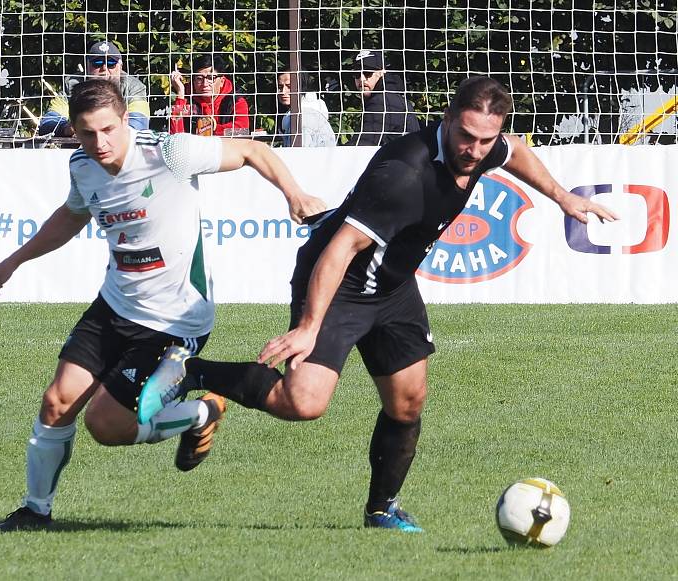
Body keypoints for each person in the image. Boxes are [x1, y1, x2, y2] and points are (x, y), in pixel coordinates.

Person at [136, 76, 617, 532]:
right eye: (466, 136)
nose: (473, 150)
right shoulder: (404, 173)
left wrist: (560, 197)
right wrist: (308, 326)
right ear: (447, 118)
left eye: (485, 140)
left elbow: (517, 153)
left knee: (408, 403)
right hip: (339, 282)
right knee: (302, 402)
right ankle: (196, 374)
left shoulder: (485, 148)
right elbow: (338, 250)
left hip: (392, 285)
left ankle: (381, 509)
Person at [0, 78, 325, 531]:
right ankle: (35, 510)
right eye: (87, 132)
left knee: (106, 426)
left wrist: (294, 194)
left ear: (125, 119)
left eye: (108, 129)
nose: (99, 142)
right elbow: (71, 215)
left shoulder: (169, 152)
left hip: (176, 319)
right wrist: (15, 260)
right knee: (56, 402)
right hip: (114, 305)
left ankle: (203, 409)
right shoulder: (82, 165)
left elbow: (250, 151)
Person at [38, 40, 150, 137]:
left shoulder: (134, 87)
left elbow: (139, 123)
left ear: (121, 66)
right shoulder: (72, 84)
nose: (104, 68)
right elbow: (48, 122)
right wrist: (66, 129)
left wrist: (98, 130)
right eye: (97, 63)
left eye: (111, 63)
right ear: (87, 67)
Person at [347, 50, 420, 146]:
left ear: (382, 72)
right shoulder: (394, 97)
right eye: (356, 74)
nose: (362, 78)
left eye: (367, 72)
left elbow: (361, 145)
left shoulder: (382, 102)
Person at [169, 54, 250, 136]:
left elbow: (242, 131)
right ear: (193, 80)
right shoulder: (186, 99)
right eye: (199, 78)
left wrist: (213, 128)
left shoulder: (236, 101)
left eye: (211, 78)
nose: (205, 84)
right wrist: (180, 92)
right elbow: (175, 134)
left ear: (222, 81)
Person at [276, 71, 337, 147]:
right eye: (280, 87)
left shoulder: (304, 117)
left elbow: (299, 155)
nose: (283, 92)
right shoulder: (308, 111)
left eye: (289, 86)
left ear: (302, 87)